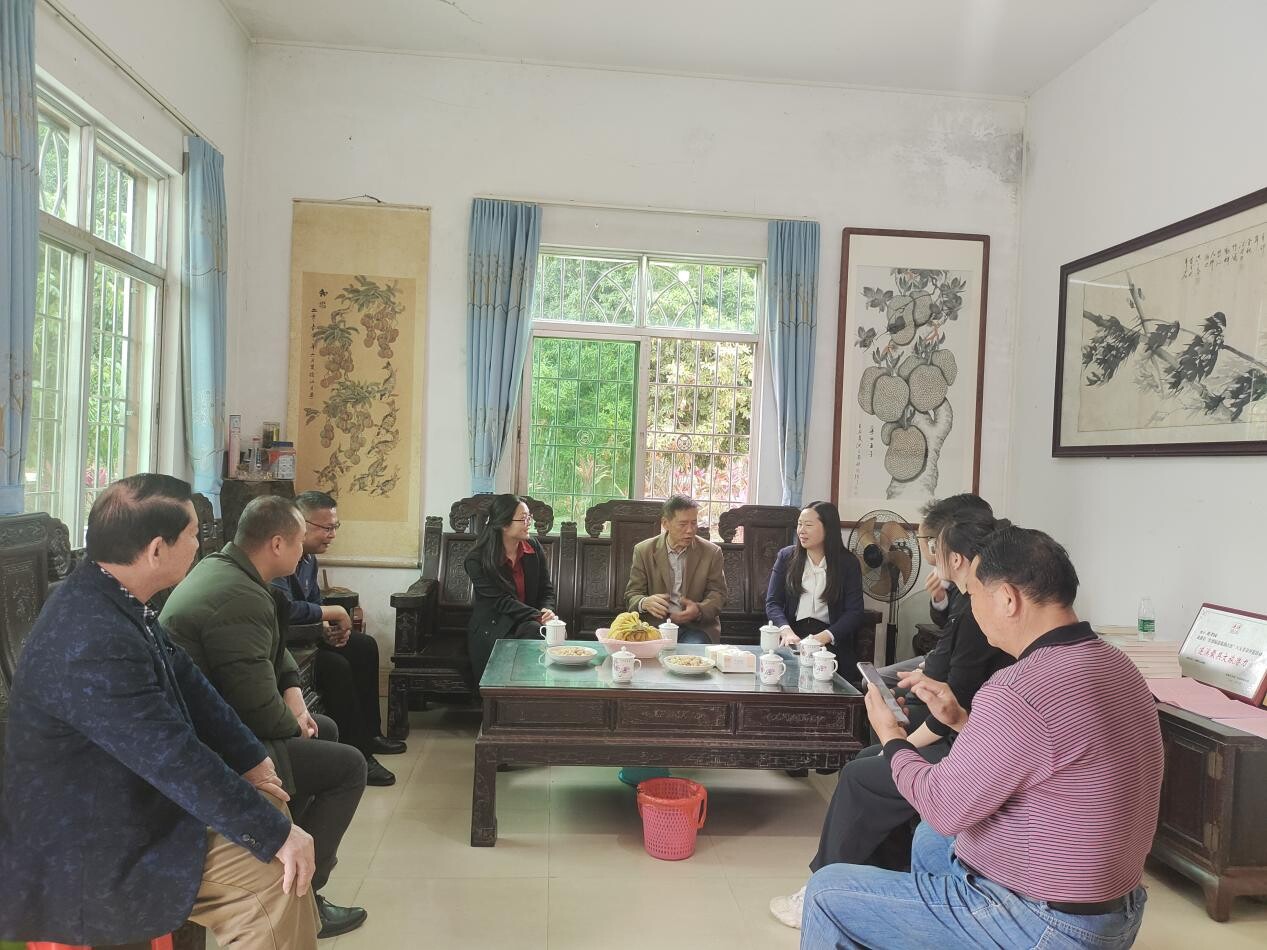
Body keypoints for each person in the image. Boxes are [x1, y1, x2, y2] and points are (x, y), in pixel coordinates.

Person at [802, 526, 1164, 949]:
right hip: (1115, 907)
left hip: (1045, 922)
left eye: (973, 595)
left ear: (1008, 598)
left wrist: (891, 737)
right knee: (931, 840)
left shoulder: (1018, 687)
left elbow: (942, 806)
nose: (972, 608)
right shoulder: (1116, 664)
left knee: (827, 893)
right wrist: (960, 719)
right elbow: (1045, 754)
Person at [0, 475, 319, 949]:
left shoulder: (110, 595)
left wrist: (252, 760)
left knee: (271, 804)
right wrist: (272, 835)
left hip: (127, 805)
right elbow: (173, 756)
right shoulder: (91, 636)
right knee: (274, 872)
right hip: (87, 845)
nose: (200, 544)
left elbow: (187, 680)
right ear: (156, 549)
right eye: (192, 534)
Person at [770, 493, 1012, 929]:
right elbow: (952, 674)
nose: (928, 555)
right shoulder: (969, 602)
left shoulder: (980, 610)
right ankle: (878, 879)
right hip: (964, 727)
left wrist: (897, 745)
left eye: (932, 545)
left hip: (969, 743)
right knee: (867, 755)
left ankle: (824, 887)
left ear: (955, 554)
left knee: (861, 772)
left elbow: (957, 694)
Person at [161, 495, 369, 939]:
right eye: (299, 540)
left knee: (326, 728)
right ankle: (306, 892)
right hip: (215, 741)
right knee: (349, 766)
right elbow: (254, 705)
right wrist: (293, 723)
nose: (303, 549)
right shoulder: (238, 595)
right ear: (277, 544)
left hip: (226, 718)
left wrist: (294, 694)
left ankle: (297, 865)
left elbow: (273, 649)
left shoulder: (229, 570)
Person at [272, 490, 404, 788]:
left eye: (335, 527)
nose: (332, 535)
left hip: (307, 635)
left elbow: (313, 603)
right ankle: (359, 753)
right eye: (326, 528)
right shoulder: (282, 556)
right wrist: (329, 614)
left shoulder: (309, 559)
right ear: (300, 523)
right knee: (336, 667)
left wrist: (326, 627)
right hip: (288, 644)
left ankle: (370, 733)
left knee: (363, 646)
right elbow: (283, 608)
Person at [465, 494, 558, 686]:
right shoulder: (477, 559)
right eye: (523, 518)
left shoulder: (533, 547)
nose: (529, 522)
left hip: (527, 622)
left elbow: (546, 589)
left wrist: (546, 610)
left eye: (529, 517)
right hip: (494, 625)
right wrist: (538, 615)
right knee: (534, 631)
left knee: (535, 631)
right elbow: (501, 602)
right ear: (504, 524)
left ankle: (530, 698)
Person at [765, 500, 866, 677]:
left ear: (828, 528)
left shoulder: (848, 563)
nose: (801, 531)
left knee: (840, 677)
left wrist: (823, 638)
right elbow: (773, 602)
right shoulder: (786, 557)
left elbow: (854, 612)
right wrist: (786, 631)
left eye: (808, 525)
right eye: (799, 524)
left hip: (830, 638)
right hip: (793, 635)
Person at [624, 494, 727, 645]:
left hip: (695, 627)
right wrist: (644, 602)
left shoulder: (711, 552)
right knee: (650, 653)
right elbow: (632, 594)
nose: (690, 530)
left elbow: (718, 594)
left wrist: (698, 610)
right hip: (654, 627)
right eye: (683, 524)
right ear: (665, 523)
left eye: (694, 523)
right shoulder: (643, 550)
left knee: (692, 651)